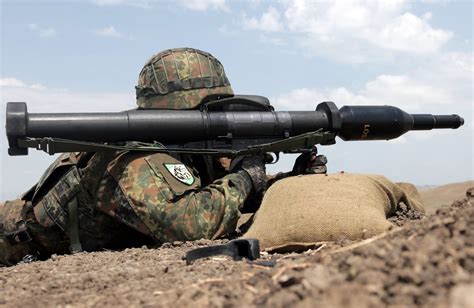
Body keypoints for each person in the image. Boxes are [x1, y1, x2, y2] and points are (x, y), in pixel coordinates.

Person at [0, 48, 326, 266]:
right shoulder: (132, 158)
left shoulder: (185, 148)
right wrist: (245, 176)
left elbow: (215, 195)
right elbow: (191, 223)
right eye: (207, 111)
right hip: (10, 240)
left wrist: (287, 180)